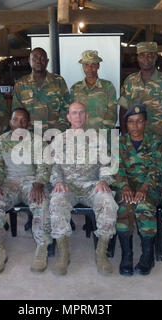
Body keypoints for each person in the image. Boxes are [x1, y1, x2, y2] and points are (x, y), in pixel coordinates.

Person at [48, 102, 118, 276]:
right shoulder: (59, 139)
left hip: (92, 185)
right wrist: (57, 181)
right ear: (68, 117)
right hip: (68, 186)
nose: (78, 116)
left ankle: (101, 254)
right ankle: (63, 254)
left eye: (81, 113)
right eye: (74, 113)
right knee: (56, 202)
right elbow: (53, 166)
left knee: (108, 202)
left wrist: (103, 180)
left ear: (86, 116)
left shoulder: (98, 139)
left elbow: (106, 164)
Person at [0, 108, 52, 273]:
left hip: (32, 181)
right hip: (9, 182)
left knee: (42, 200)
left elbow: (45, 166)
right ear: (10, 121)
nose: (19, 124)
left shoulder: (38, 141)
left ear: (28, 123)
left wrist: (39, 184)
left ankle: (42, 247)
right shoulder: (0, 142)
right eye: (15, 120)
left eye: (23, 120)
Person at [115, 104, 162, 276]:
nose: (135, 126)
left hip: (149, 187)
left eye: (139, 122)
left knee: (144, 207)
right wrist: (125, 186)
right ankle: (127, 255)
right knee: (123, 206)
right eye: (131, 122)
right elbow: (116, 168)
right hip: (127, 186)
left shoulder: (156, 142)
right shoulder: (119, 143)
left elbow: (157, 168)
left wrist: (144, 187)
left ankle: (147, 256)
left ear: (146, 123)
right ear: (125, 124)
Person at [119, 41, 162, 141]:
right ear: (137, 58)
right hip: (136, 141)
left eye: (150, 55)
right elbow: (123, 110)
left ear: (155, 57)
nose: (146, 59)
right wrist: (124, 137)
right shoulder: (130, 81)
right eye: (142, 55)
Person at [11, 47, 70, 132]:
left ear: (47, 61)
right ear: (29, 60)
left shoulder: (58, 81)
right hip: (30, 135)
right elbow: (17, 112)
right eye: (35, 58)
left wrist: (59, 130)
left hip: (54, 134)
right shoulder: (20, 84)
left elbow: (66, 108)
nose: (38, 61)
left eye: (42, 58)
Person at [70, 50, 118, 130]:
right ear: (82, 67)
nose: (89, 68)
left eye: (93, 65)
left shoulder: (108, 86)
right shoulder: (75, 88)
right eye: (86, 65)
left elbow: (112, 113)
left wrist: (102, 134)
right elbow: (72, 114)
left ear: (98, 66)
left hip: (104, 135)